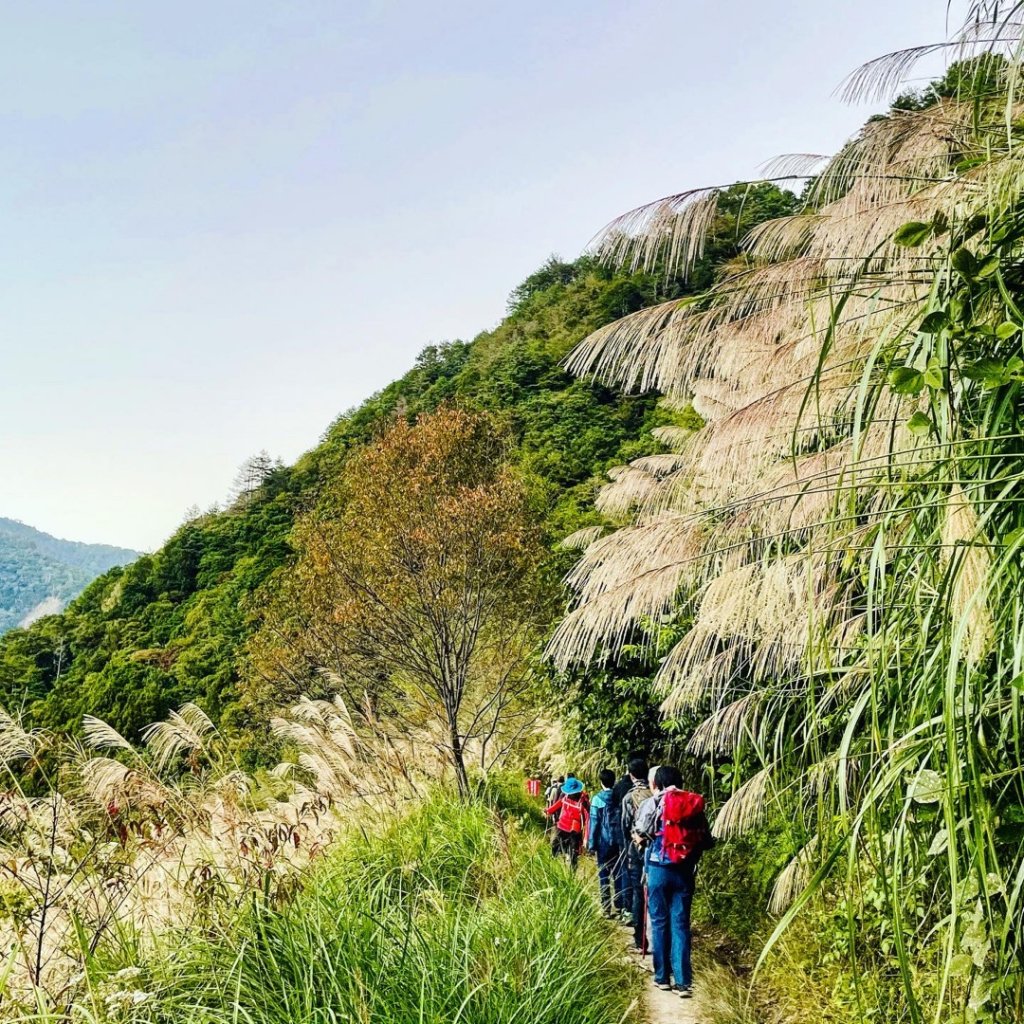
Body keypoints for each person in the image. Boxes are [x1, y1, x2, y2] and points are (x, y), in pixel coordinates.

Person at [634, 765, 712, 999]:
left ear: (656, 782)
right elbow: (706, 840)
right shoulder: (693, 804)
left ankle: (662, 978)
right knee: (680, 923)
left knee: (659, 922)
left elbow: (641, 831)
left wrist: (640, 839)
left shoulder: (653, 803)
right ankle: (683, 982)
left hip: (658, 868)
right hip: (684, 871)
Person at [621, 758, 651, 950]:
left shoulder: (629, 797)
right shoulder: (656, 793)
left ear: (631, 775)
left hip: (636, 849)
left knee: (638, 892)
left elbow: (625, 825)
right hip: (656, 848)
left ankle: (640, 939)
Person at [587, 769, 622, 915]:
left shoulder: (597, 799)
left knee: (604, 875)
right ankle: (620, 906)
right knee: (618, 873)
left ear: (601, 782)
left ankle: (606, 908)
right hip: (619, 842)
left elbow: (594, 824)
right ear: (614, 781)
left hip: (603, 842)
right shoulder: (619, 797)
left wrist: (591, 844)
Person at [610, 755, 640, 917]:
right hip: (651, 844)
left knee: (626, 871)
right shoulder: (653, 792)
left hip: (628, 840)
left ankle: (627, 909)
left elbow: (620, 819)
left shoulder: (622, 789)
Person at [544, 776, 589, 870]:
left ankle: (572, 872)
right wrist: (549, 811)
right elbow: (559, 804)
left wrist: (586, 837)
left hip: (574, 831)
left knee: (573, 852)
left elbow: (588, 819)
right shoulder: (566, 796)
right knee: (555, 847)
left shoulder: (583, 801)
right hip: (561, 827)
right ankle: (552, 867)